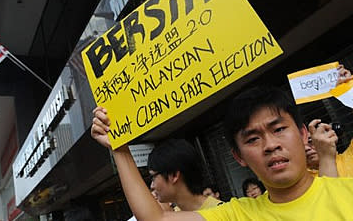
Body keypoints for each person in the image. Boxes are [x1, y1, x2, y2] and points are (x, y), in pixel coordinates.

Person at [91, 86, 353, 220]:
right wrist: (120, 149)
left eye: (279, 129)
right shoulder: (238, 214)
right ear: (238, 156)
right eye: (253, 138)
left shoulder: (346, 193)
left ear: (303, 134)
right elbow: (155, 218)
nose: (270, 145)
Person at [304, 64, 353, 177]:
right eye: (300, 147)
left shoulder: (350, 157)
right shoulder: (299, 184)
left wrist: (348, 89)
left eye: (311, 141)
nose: (306, 148)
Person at [147, 139, 222, 211]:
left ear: (174, 175)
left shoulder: (221, 212)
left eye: (153, 177)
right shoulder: (173, 215)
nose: (152, 186)